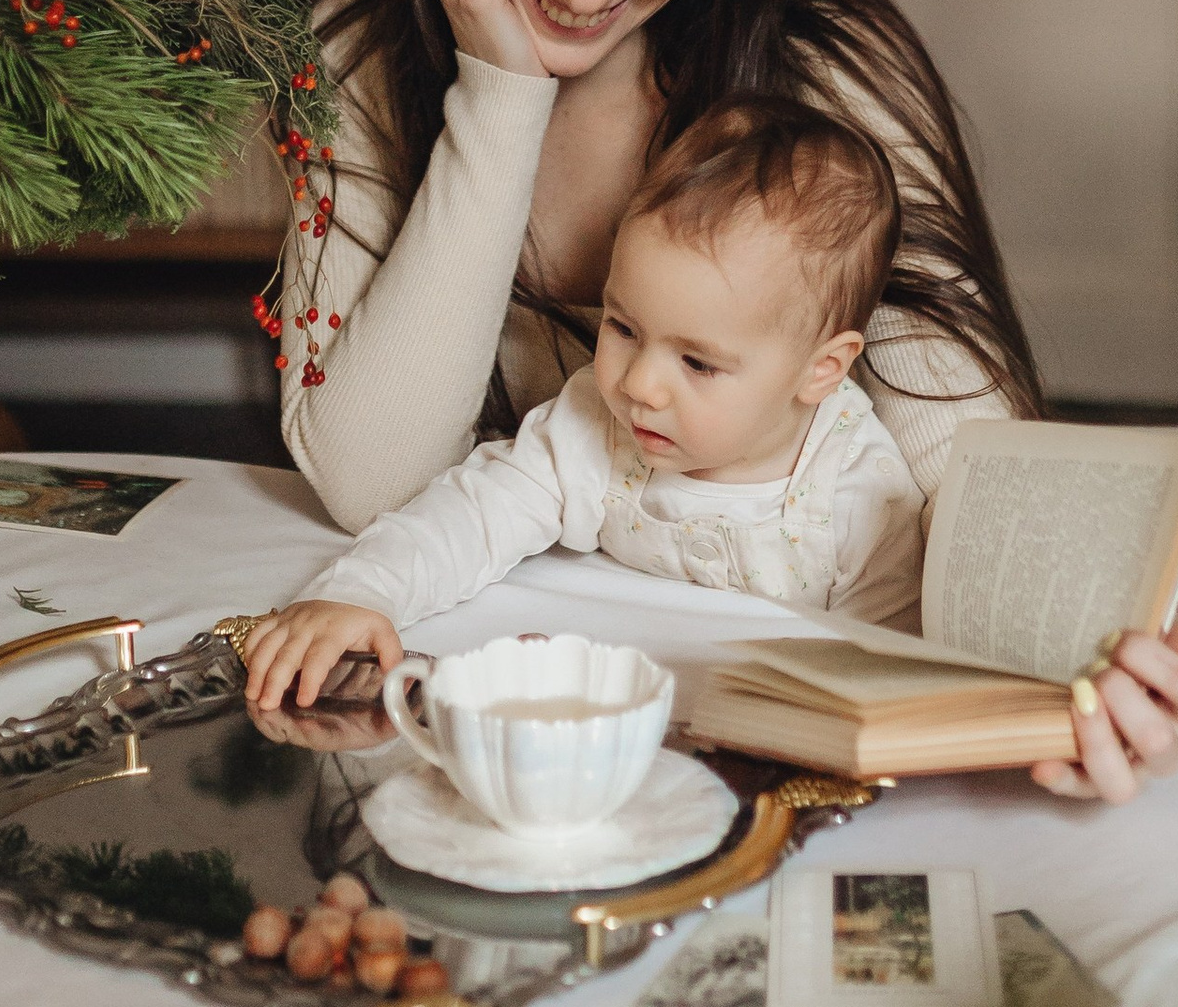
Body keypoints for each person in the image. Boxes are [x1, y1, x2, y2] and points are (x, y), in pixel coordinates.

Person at [276, 0, 1178, 801]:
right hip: (545, 686)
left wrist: (1080, 677)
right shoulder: (357, 50)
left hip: (786, 701)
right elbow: (369, 481)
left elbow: (967, 453)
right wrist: (499, 91)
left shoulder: (827, 63)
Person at [244, 97, 928, 711]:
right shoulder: (598, 427)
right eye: (622, 328)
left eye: (697, 362)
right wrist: (361, 592)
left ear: (821, 370)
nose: (639, 385)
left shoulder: (856, 487)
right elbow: (472, 514)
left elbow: (884, 667)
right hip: (601, 716)